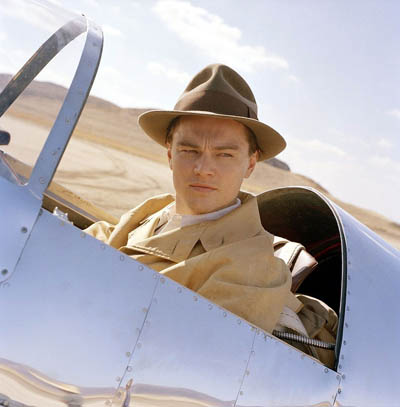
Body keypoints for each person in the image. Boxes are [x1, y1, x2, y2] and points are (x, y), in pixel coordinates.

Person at [85, 64, 337, 366]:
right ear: (170, 154)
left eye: (224, 154)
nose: (203, 168)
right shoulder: (149, 214)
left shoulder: (254, 271)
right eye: (189, 150)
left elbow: (167, 361)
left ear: (250, 164)